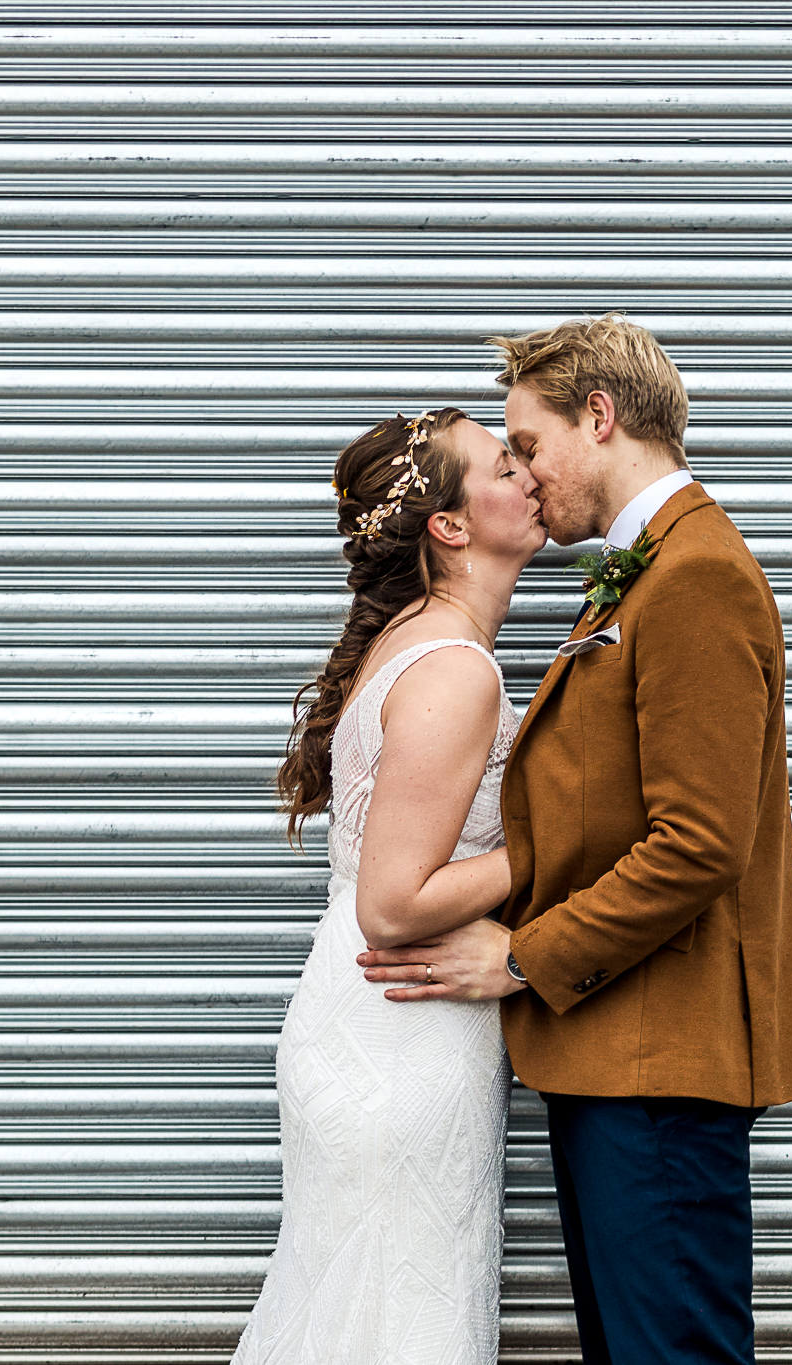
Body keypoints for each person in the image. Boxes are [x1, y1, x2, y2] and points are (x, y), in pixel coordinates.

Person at [359, 314, 792, 1364]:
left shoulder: (695, 575)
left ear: (600, 417)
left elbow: (699, 843)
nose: (524, 475)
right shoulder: (645, 569)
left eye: (527, 445)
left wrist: (522, 954)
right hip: (620, 1055)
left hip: (659, 1061)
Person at [234, 405, 546, 1364]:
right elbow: (394, 902)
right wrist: (556, 850)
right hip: (399, 1030)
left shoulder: (421, 640)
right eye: (504, 466)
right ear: (448, 526)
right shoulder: (456, 668)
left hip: (374, 1018)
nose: (532, 474)